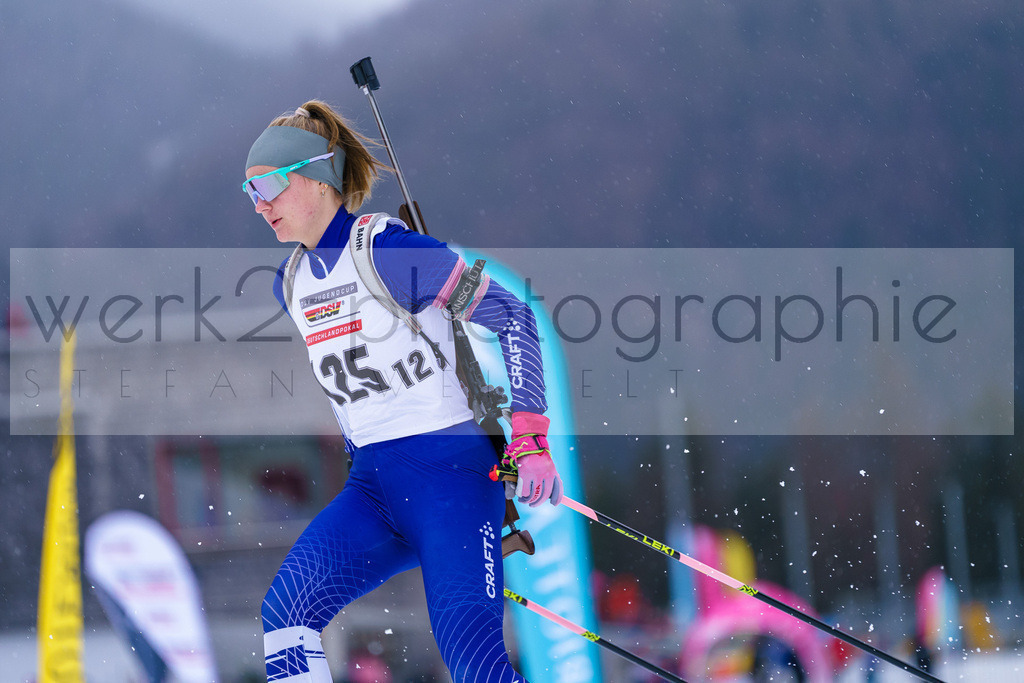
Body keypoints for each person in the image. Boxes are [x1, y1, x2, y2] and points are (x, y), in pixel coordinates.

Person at [243, 100, 563, 683]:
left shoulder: (390, 254)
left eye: (268, 184)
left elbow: (513, 317)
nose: (259, 204)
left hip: (453, 483)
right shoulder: (290, 283)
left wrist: (531, 437)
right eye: (249, 191)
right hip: (373, 490)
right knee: (285, 618)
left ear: (317, 178)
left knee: (474, 660)